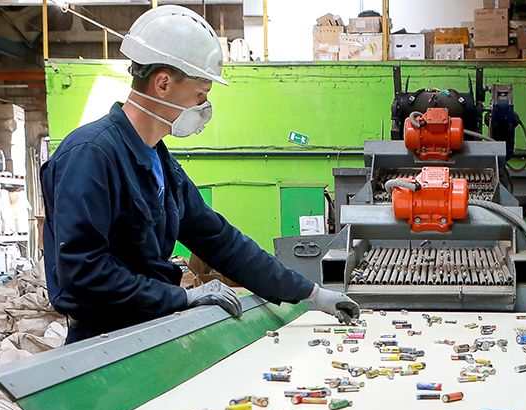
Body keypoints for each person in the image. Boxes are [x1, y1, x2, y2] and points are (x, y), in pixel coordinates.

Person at [40, 6, 358, 344]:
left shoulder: (160, 163)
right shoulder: (91, 155)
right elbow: (83, 273)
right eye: (200, 94)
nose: (204, 107)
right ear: (163, 83)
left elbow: (221, 241)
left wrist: (311, 293)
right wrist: (182, 296)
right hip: (102, 342)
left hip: (147, 331)